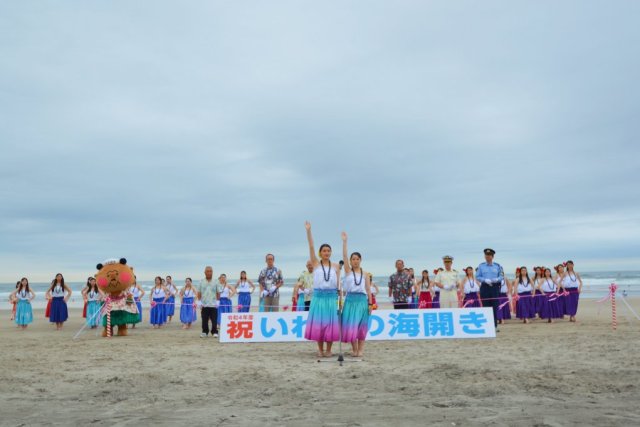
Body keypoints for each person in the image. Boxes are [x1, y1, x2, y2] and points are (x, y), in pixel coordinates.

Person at [303, 221, 341, 358]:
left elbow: (338, 284)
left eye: (328, 250)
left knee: (330, 324)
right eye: (324, 251)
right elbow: (311, 246)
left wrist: (340, 297)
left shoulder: (336, 266)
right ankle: (320, 349)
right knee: (319, 324)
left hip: (331, 297)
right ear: (320, 253)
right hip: (318, 297)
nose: (326, 252)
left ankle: (329, 349)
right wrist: (308, 231)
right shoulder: (315, 264)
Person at [340, 232, 373, 358]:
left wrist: (370, 304)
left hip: (362, 300)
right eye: (353, 259)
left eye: (357, 259)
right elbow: (344, 255)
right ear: (350, 261)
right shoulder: (348, 271)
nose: (355, 261)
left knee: (361, 326)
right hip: (350, 300)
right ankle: (354, 349)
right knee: (351, 326)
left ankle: (360, 350)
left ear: (360, 260)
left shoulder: (365, 274)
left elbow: (368, 290)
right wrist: (344, 242)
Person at [475, 249, 503, 330]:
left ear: (492, 256)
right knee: (485, 306)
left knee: (494, 307)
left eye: (489, 255)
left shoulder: (497, 266)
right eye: (486, 255)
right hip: (485, 287)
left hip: (494, 288)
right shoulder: (481, 266)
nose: (487, 257)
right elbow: (477, 276)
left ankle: (494, 326)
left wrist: (496, 280)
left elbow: (501, 276)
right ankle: (487, 325)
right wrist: (484, 280)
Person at [197, 266, 220, 338]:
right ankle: (205, 332)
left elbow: (218, 292)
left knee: (214, 319)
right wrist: (199, 301)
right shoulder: (201, 281)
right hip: (204, 304)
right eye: (208, 271)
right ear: (205, 272)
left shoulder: (216, 281)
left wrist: (218, 301)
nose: (209, 273)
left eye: (211, 271)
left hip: (213, 304)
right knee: (204, 319)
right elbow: (199, 292)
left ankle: (214, 332)